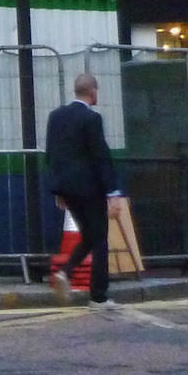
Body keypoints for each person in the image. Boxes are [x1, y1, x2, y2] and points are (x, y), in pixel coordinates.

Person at [46, 72, 127, 310]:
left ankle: (65, 273)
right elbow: (100, 155)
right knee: (100, 239)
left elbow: (52, 153)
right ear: (93, 92)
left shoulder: (56, 116)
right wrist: (112, 192)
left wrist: (58, 189)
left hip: (66, 189)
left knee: (90, 236)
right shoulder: (92, 118)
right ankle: (99, 296)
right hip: (90, 189)